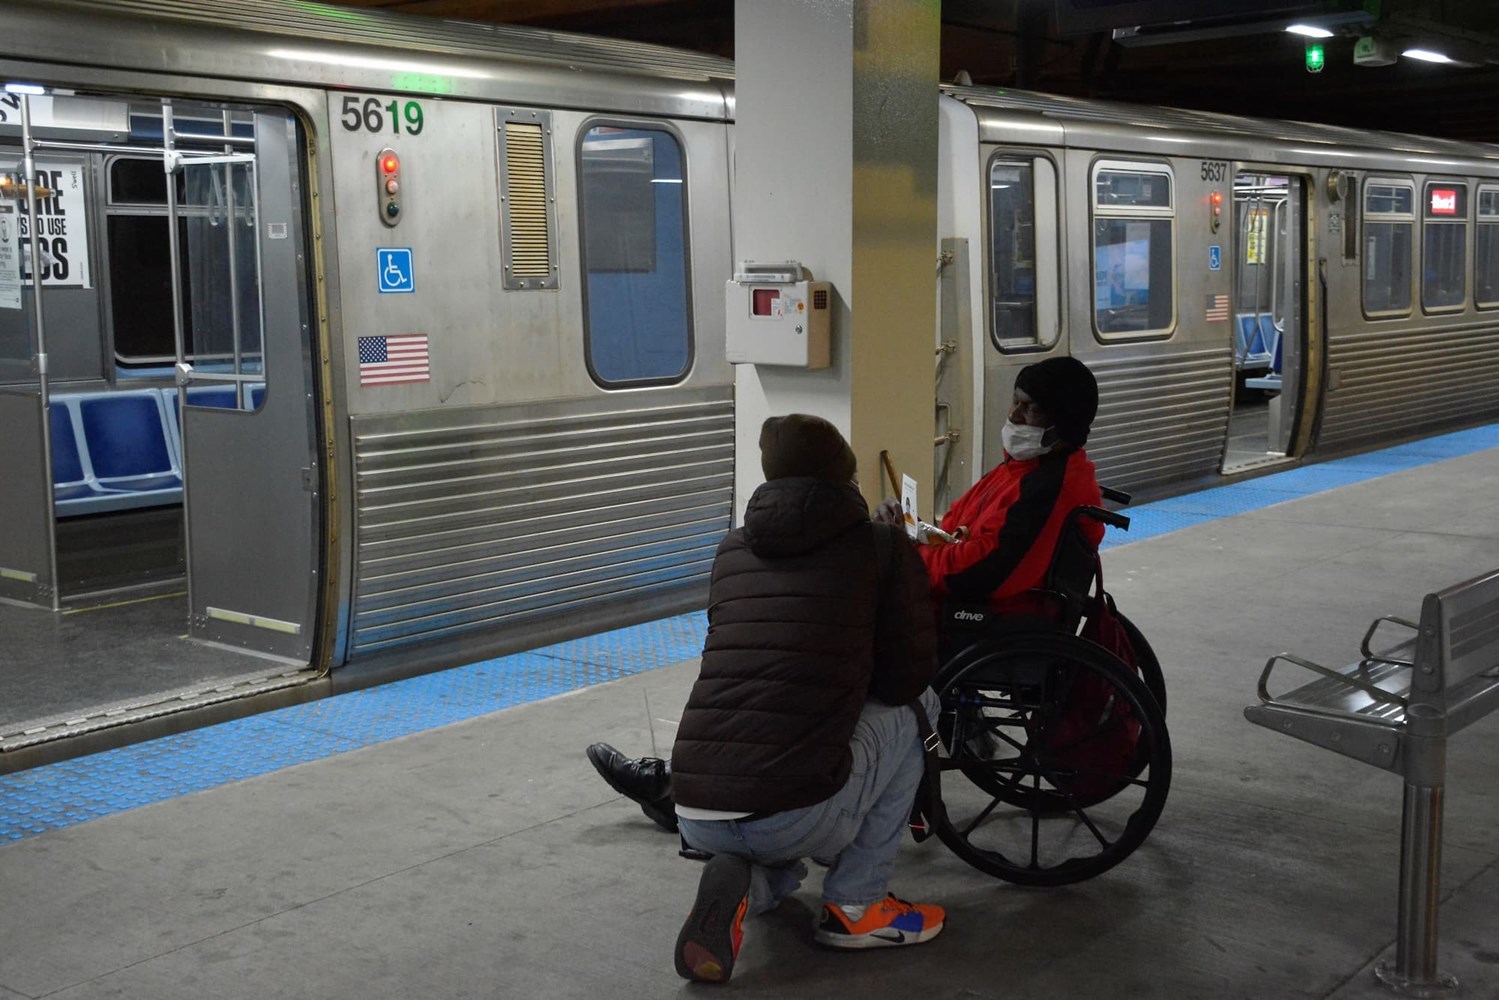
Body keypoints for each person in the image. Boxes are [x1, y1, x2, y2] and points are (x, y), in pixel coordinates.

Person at [599, 413, 945, 983]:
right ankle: (859, 906)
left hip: (697, 808)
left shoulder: (731, 548)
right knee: (918, 709)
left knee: (785, 780)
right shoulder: (880, 546)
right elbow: (905, 677)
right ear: (847, 478)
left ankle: (745, 889)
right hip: (792, 809)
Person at [904, 355, 1103, 615]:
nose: (1013, 414)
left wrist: (911, 559)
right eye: (1015, 401)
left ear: (1061, 424)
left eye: (1031, 409)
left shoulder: (1051, 490)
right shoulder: (1020, 469)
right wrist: (911, 529)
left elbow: (982, 571)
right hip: (968, 604)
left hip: (989, 618)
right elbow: (955, 532)